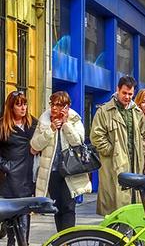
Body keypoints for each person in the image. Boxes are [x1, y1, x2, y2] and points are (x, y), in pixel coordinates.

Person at [31, 91, 92, 232]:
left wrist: (66, 125)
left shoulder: (74, 118)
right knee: (57, 208)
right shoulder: (44, 119)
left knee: (69, 207)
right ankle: (62, 240)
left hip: (70, 170)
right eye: (52, 104)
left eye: (58, 105)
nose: (54, 108)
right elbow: (35, 145)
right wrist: (51, 129)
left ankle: (68, 240)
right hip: (51, 171)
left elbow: (78, 142)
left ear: (67, 106)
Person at [90, 76, 145, 216]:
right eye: (124, 93)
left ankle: (132, 237)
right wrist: (112, 150)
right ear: (118, 90)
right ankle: (112, 238)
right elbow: (96, 136)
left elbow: (143, 136)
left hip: (135, 166)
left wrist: (143, 157)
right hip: (113, 166)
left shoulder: (137, 112)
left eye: (130, 94)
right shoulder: (104, 111)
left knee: (134, 209)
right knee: (115, 210)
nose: (127, 97)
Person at [0, 91, 38, 245]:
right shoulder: (3, 126)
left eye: (25, 104)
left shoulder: (33, 123)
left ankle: (24, 243)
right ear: (11, 106)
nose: (23, 108)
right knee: (11, 217)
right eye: (19, 104)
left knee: (24, 215)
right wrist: (6, 165)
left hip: (28, 176)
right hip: (9, 179)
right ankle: (10, 239)